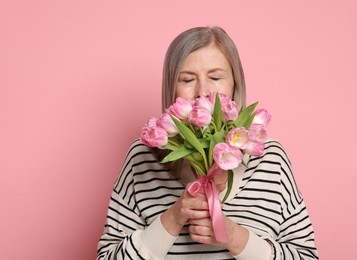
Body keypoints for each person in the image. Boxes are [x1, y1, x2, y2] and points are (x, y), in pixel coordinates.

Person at [97, 26, 319, 260]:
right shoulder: (142, 157)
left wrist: (236, 237)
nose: (203, 92)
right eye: (187, 79)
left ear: (235, 84)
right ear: (172, 88)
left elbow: (307, 256)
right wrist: (173, 218)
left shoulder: (269, 158)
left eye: (215, 77)